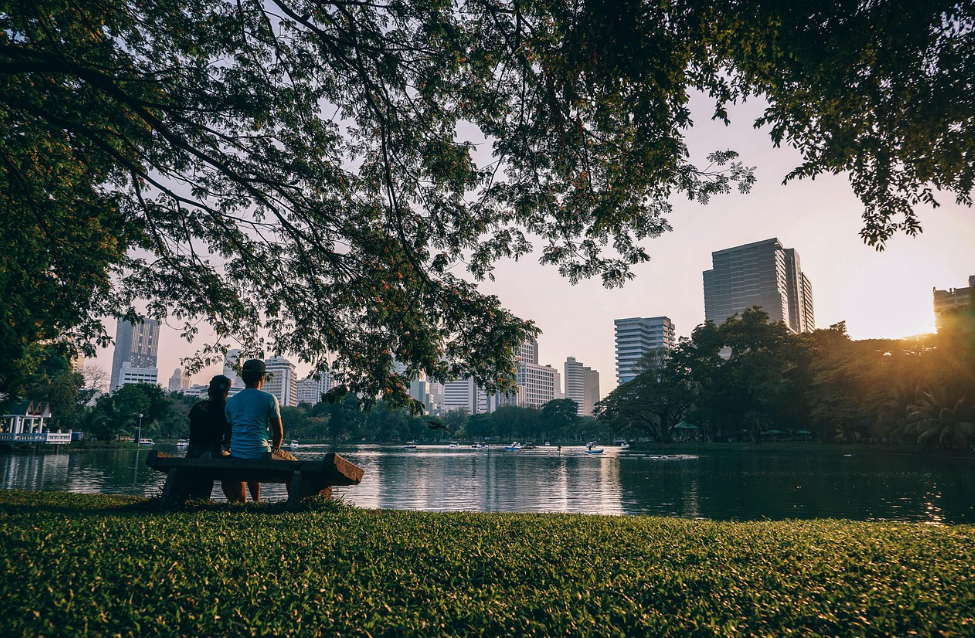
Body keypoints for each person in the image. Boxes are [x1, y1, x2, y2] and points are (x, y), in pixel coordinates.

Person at [222, 358, 296, 502]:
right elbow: (279, 432)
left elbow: (230, 432)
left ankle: (253, 502)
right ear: (262, 377)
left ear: (243, 378)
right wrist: (275, 451)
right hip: (261, 453)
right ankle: (291, 502)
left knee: (251, 457)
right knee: (295, 466)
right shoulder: (269, 399)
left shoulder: (231, 402)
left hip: (237, 453)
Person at [184, 374, 232, 499]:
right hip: (213, 454)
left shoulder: (198, 407)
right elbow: (228, 439)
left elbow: (193, 430)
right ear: (226, 393)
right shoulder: (226, 410)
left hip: (193, 453)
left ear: (209, 391)